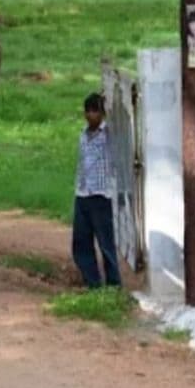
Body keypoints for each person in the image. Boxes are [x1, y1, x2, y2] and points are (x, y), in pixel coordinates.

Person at [71, 92, 121, 288]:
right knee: (81, 241)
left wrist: (109, 96)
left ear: (102, 113)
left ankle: (114, 283)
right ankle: (92, 282)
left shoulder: (108, 134)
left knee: (106, 242)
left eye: (95, 111)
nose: (91, 115)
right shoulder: (83, 135)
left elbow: (118, 118)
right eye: (88, 111)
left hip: (101, 195)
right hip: (83, 193)